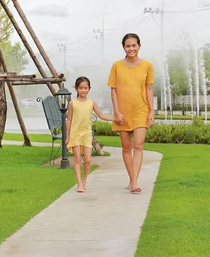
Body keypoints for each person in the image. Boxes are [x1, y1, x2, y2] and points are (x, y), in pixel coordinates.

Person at [107, 33, 154, 194]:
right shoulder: (116, 66)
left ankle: (134, 182)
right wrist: (116, 111)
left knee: (138, 144)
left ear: (139, 46)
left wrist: (151, 111)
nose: (131, 48)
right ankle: (131, 180)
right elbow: (113, 90)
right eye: (128, 46)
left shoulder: (147, 65)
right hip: (123, 112)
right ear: (124, 48)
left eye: (134, 45)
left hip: (141, 110)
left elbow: (149, 89)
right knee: (126, 147)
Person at [66, 76, 114, 193]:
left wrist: (115, 119)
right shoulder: (72, 103)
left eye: (85, 88)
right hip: (75, 134)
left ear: (89, 89)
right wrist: (67, 136)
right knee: (77, 158)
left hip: (87, 134)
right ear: (77, 89)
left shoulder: (91, 103)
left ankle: (84, 179)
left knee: (87, 160)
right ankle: (79, 184)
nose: (83, 90)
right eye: (81, 88)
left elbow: (102, 116)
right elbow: (69, 120)